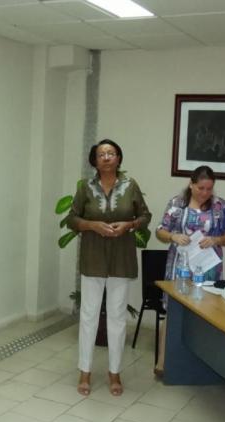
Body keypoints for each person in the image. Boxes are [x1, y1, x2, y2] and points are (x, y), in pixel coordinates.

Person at [67, 139, 151, 397]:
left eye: (111, 153)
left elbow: (145, 216)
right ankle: (85, 372)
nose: (106, 157)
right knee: (89, 315)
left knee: (116, 317)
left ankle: (115, 372)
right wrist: (92, 225)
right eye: (101, 154)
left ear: (118, 158)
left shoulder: (130, 185)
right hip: (93, 257)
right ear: (94, 160)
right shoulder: (85, 187)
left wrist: (129, 225)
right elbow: (72, 219)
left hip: (121, 258)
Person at [155, 166, 225, 375]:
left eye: (209, 189)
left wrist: (217, 239)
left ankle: (202, 364)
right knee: (173, 312)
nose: (205, 193)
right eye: (201, 188)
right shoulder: (177, 204)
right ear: (191, 184)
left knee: (206, 313)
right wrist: (173, 236)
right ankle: (163, 362)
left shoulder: (220, 207)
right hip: (180, 266)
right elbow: (160, 231)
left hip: (208, 268)